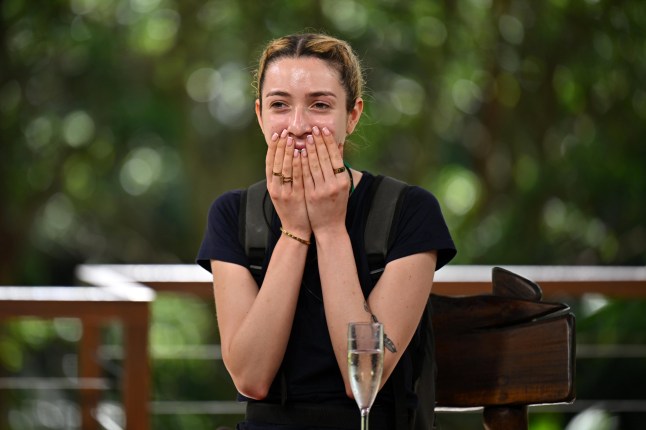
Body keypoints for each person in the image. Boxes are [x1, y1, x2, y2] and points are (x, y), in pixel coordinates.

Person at [197, 32, 456, 430]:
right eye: (280, 105)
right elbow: (251, 378)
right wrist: (295, 230)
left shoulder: (410, 211)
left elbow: (364, 379)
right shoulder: (234, 213)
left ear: (351, 116)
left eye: (319, 105)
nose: (297, 126)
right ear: (260, 116)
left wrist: (331, 228)